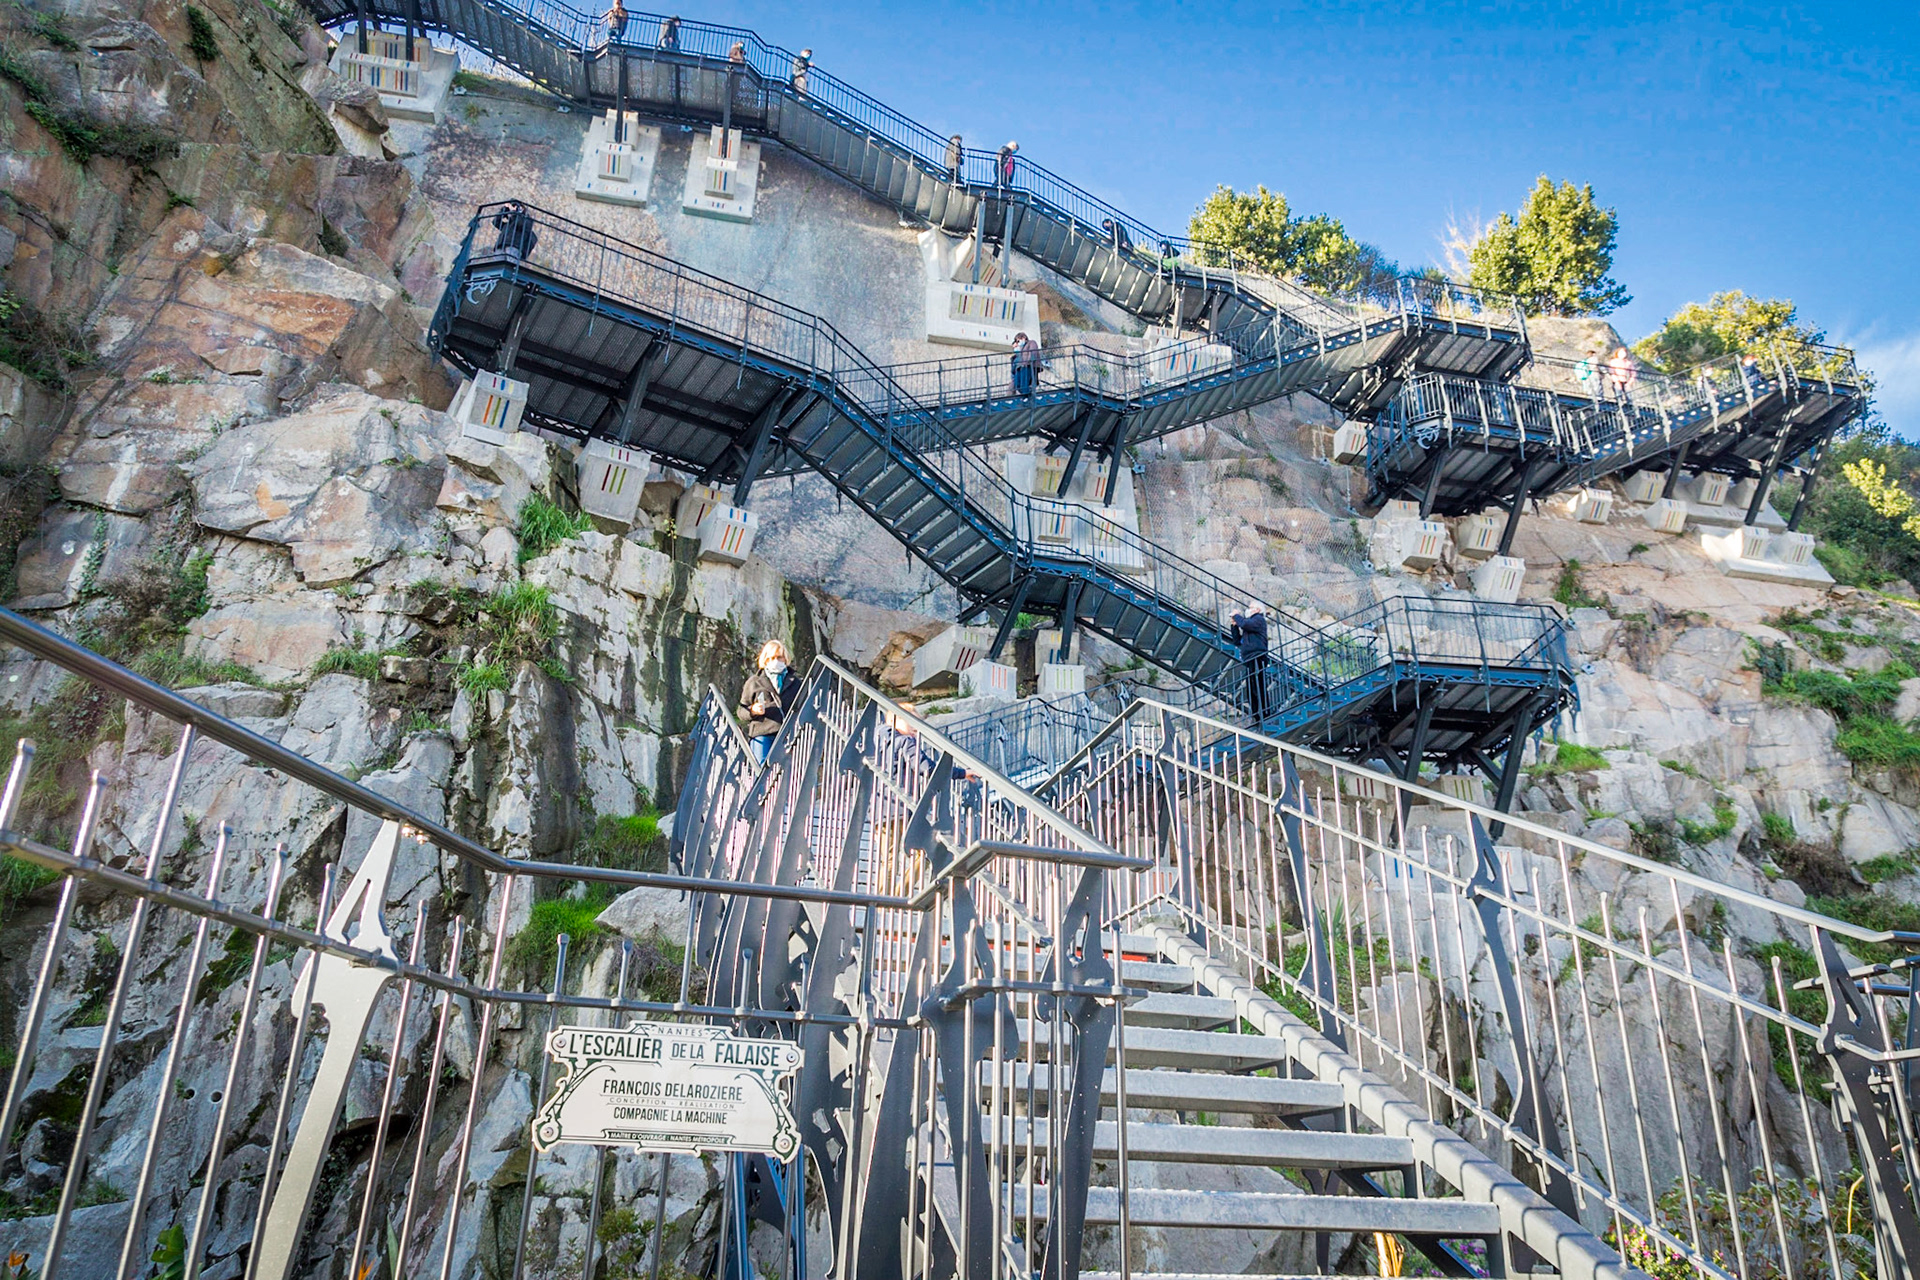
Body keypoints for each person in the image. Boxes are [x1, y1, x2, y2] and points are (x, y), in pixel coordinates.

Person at [739, 640, 798, 765]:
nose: (776, 661)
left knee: (789, 769)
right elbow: (741, 711)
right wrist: (753, 710)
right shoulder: (754, 682)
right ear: (765, 660)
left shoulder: (796, 682)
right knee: (762, 769)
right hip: (762, 733)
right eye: (771, 658)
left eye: (779, 657)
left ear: (785, 658)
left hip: (789, 733)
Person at [1230, 602, 1270, 724]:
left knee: (1259, 686)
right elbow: (1237, 641)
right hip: (1249, 658)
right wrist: (1234, 626)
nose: (1248, 609)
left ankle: (1265, 714)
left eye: (1250, 607)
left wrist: (1236, 615)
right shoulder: (1250, 625)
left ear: (1257, 610)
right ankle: (1257, 715)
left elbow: (1245, 624)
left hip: (1257, 656)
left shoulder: (1259, 619)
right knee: (1251, 689)